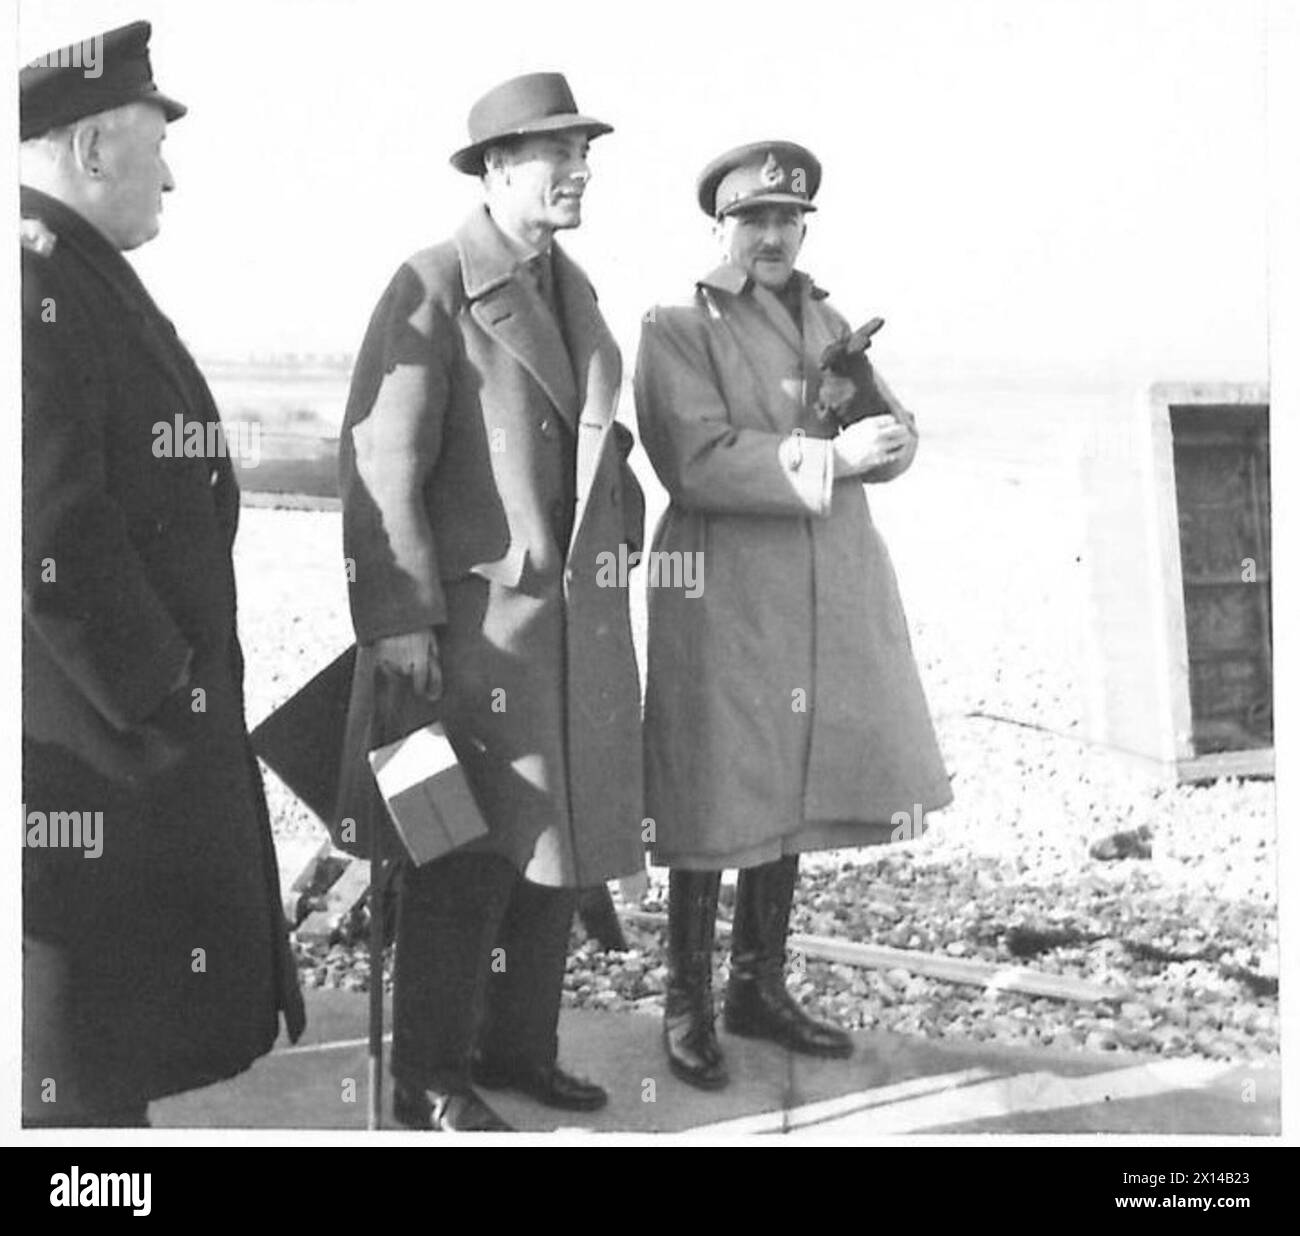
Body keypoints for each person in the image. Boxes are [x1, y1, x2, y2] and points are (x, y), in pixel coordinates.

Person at [337, 72, 646, 1131]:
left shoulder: (574, 287)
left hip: (569, 633)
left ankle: (518, 1050)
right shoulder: (430, 284)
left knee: (555, 853)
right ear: (497, 168)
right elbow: (384, 464)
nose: (579, 172)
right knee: (455, 855)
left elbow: (606, 445)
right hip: (471, 638)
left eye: (583, 152)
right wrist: (396, 619)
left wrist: (624, 535)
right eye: (557, 155)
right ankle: (426, 1077)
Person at [20, 20, 305, 1127]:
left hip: (114, 739)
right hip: (103, 748)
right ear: (93, 150)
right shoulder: (36, 284)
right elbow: (48, 534)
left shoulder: (73, 275)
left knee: (102, 1047)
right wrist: (162, 691)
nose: (171, 177)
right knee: (76, 1054)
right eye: (155, 146)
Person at [634, 141, 952, 1090]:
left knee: (796, 783)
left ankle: (757, 987)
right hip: (725, 586)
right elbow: (691, 458)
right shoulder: (675, 324)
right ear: (719, 227)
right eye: (752, 219)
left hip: (822, 585)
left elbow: (881, 433)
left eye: (788, 217)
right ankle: (685, 1002)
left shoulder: (826, 317)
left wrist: (884, 439)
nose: (772, 235)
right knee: (711, 788)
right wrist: (834, 461)